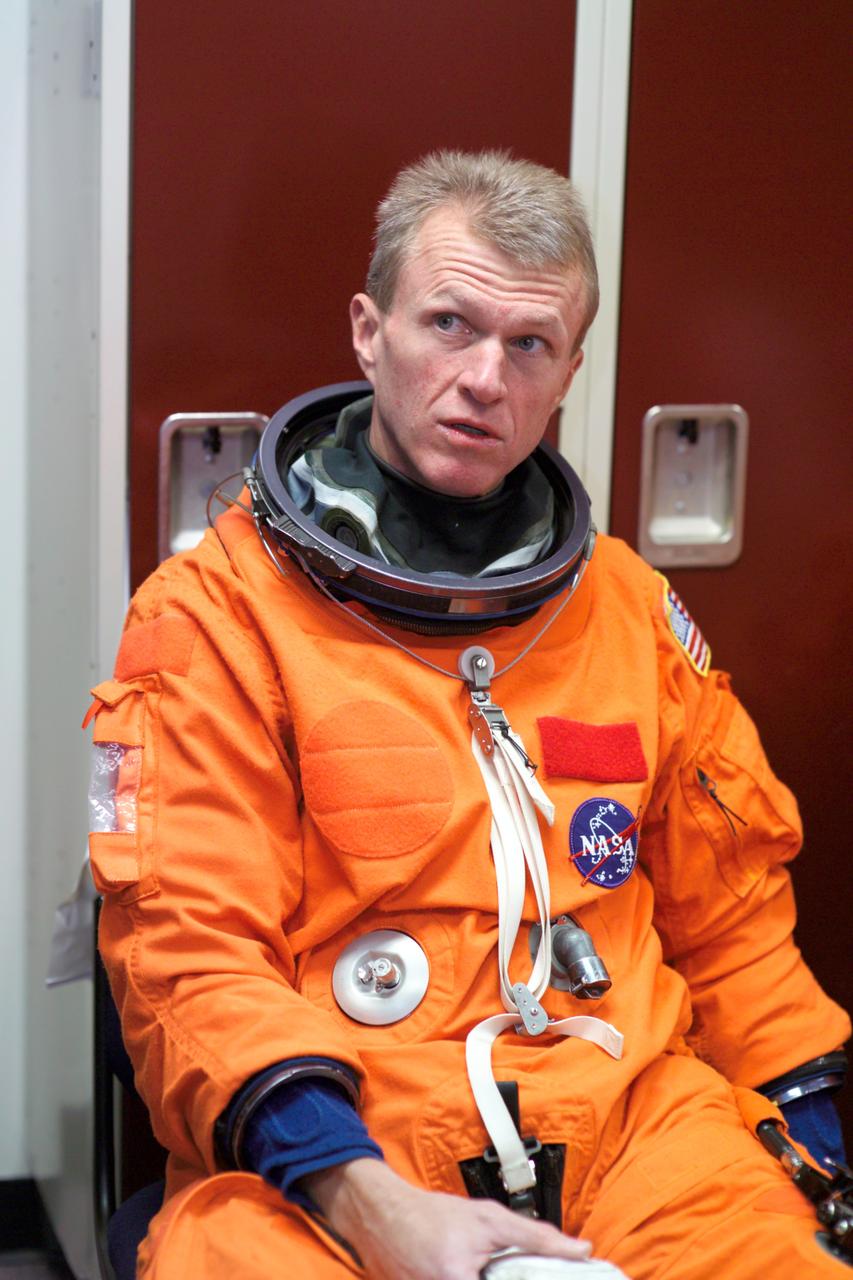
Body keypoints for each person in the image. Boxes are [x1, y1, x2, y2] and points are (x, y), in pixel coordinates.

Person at [86, 151, 850, 1279]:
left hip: (631, 1125)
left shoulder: (626, 611)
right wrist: (368, 1202)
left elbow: (732, 929)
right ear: (369, 331)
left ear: (569, 372)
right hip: (335, 1153)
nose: (484, 377)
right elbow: (192, 955)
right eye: (448, 323)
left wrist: (821, 1151)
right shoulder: (219, 613)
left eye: (529, 344)